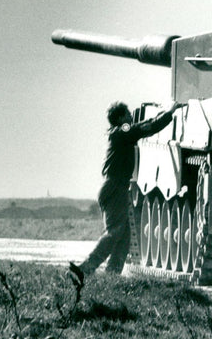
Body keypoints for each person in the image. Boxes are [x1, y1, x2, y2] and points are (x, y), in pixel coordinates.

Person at [68, 100, 182, 289]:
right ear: (120, 117)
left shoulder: (120, 132)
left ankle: (111, 276)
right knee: (114, 232)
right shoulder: (122, 131)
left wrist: (163, 113)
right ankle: (84, 268)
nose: (130, 116)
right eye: (127, 114)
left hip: (115, 187)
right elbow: (147, 127)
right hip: (114, 187)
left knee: (124, 237)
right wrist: (170, 112)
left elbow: (143, 125)